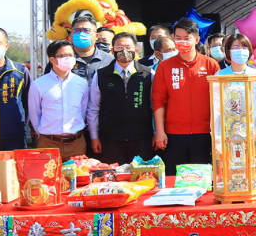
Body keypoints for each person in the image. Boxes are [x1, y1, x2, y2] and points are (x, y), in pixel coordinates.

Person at [151, 17, 220, 175]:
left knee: (202, 178)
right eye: (178, 38)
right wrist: (160, 132)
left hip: (204, 134)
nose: (182, 42)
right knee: (175, 179)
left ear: (196, 39)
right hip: (174, 135)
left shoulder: (211, 65)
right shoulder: (165, 67)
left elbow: (218, 101)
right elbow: (159, 101)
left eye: (186, 38)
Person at [87, 32, 154, 164]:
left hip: (141, 137)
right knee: (114, 179)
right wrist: (94, 137)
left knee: (141, 178)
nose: (124, 51)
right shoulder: (101, 75)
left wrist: (157, 132)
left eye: (128, 47)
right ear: (112, 50)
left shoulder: (148, 74)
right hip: (111, 138)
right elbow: (93, 107)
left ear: (136, 50)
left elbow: (155, 106)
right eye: (119, 47)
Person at [28, 40, 90, 160]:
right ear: (52, 59)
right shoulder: (38, 84)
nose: (68, 59)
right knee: (49, 177)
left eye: (71, 55)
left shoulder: (81, 83)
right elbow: (34, 114)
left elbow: (83, 111)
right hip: (48, 143)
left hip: (76, 143)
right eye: (63, 56)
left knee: (77, 177)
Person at [68, 14, 113, 81]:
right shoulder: (61, 59)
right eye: (76, 30)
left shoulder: (110, 60)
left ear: (96, 36)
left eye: (86, 30)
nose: (81, 34)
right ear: (70, 36)